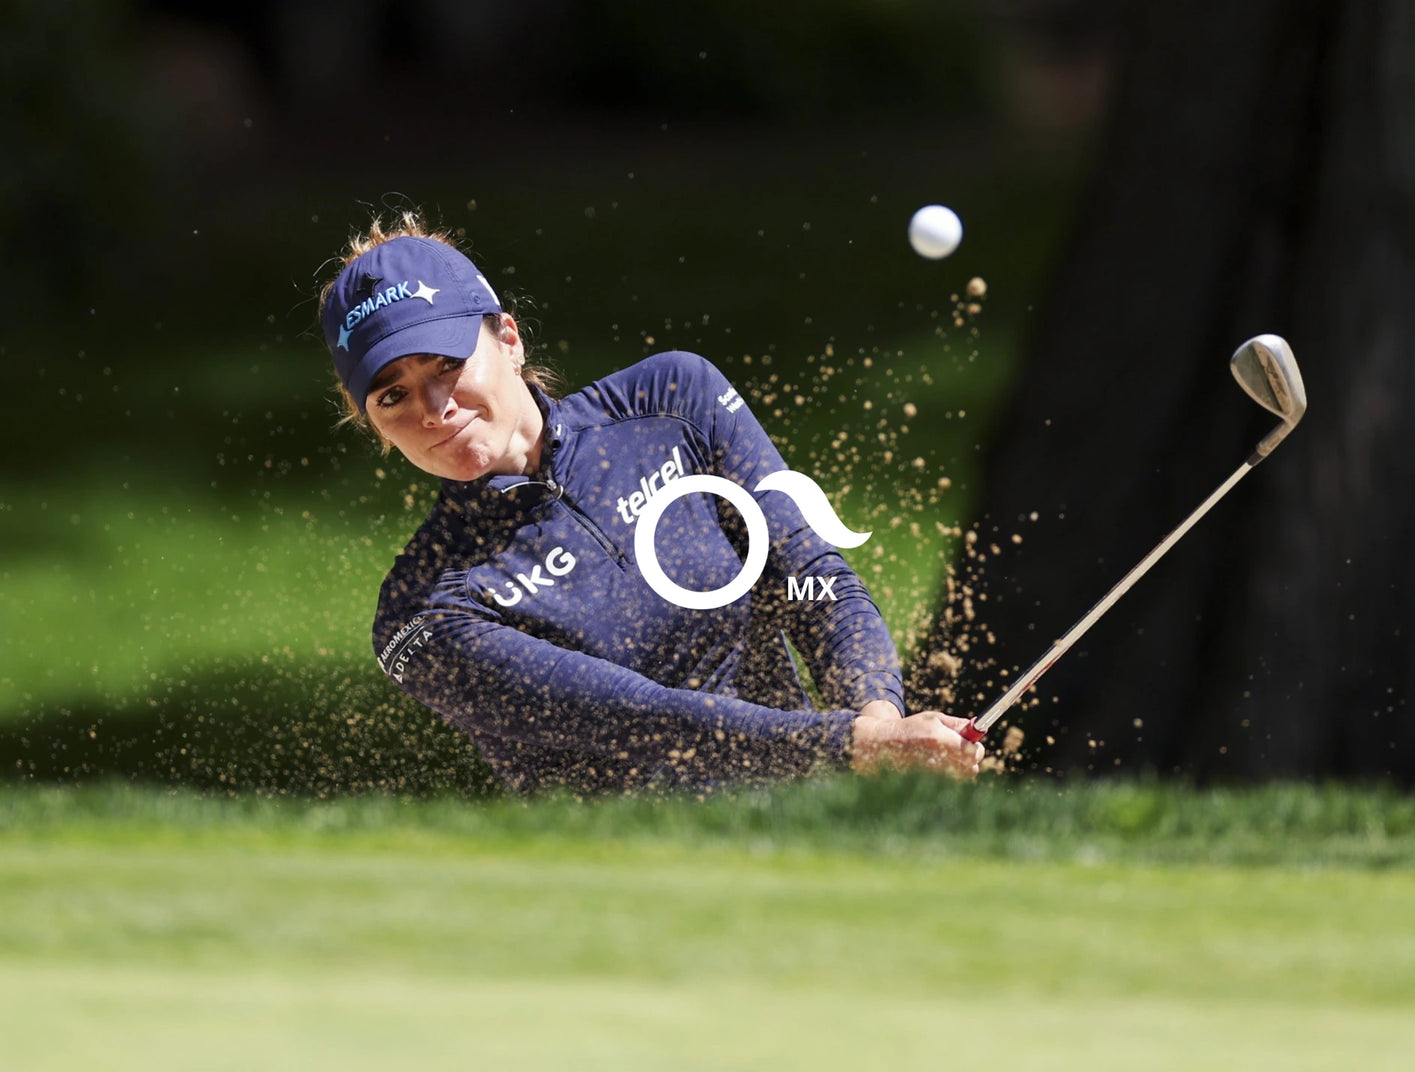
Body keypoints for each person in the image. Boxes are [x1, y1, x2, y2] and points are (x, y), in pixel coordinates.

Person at [318, 213, 982, 792]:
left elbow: (809, 574)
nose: (435, 409)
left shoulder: (670, 402)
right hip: (639, 896)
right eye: (392, 395)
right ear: (368, 421)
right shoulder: (425, 610)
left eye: (445, 363)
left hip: (814, 823)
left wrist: (878, 717)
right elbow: (637, 717)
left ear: (509, 339)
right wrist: (852, 748)